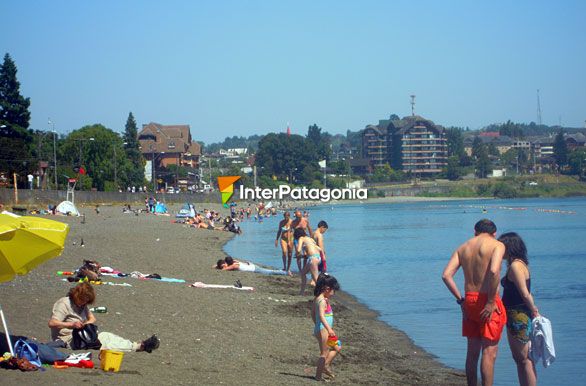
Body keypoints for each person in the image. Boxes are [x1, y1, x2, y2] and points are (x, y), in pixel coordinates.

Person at [442, 219, 507, 386]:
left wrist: (461, 301)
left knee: (472, 353)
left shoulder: (463, 247)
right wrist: (491, 301)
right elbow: (493, 271)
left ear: (475, 231)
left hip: (469, 300)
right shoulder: (497, 245)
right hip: (487, 300)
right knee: (489, 353)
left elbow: (446, 275)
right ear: (494, 233)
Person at [48, 283, 160, 353]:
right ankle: (140, 346)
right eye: (82, 300)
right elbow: (52, 323)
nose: (83, 303)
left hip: (81, 336)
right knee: (105, 339)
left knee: (106, 337)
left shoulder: (81, 304)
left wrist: (85, 324)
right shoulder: (64, 303)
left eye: (86, 302)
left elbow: (92, 318)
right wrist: (71, 325)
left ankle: (138, 346)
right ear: (77, 295)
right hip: (68, 339)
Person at [498, 232, 539, 386]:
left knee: (524, 358)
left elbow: (524, 292)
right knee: (520, 359)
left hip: (518, 315)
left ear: (509, 247)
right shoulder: (520, 264)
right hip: (516, 313)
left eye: (502, 246)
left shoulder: (515, 266)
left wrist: (534, 310)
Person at [311, 273, 341, 381]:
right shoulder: (322, 300)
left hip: (321, 329)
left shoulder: (317, 298)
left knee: (337, 347)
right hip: (324, 330)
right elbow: (321, 316)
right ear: (327, 289)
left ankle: (325, 366)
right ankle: (318, 376)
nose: (334, 293)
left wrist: (317, 325)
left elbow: (312, 314)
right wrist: (328, 329)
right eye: (334, 290)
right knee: (324, 353)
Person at [295, 228, 322, 296]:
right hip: (318, 258)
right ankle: (301, 292)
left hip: (312, 259)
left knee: (316, 278)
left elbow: (298, 250)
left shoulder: (301, 238)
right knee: (303, 273)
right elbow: (320, 249)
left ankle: (322, 293)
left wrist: (297, 254)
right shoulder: (310, 239)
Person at [215, 256, 291, 276]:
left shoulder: (234, 266)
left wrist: (220, 267)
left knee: (270, 272)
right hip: (251, 265)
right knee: (269, 271)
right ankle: (282, 271)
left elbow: (224, 270)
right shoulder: (234, 262)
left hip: (254, 269)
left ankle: (286, 272)